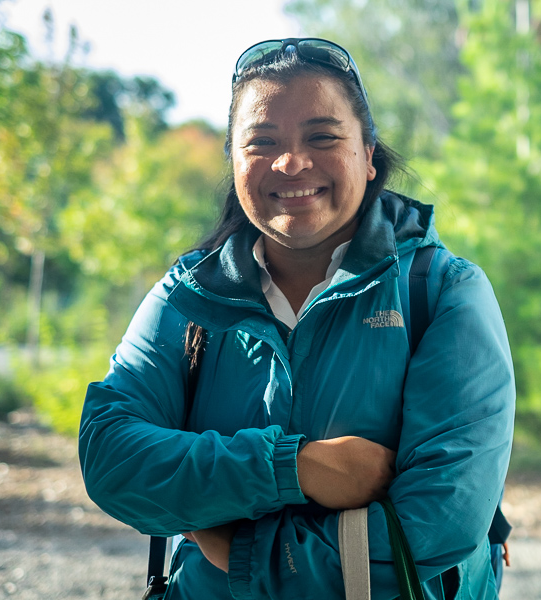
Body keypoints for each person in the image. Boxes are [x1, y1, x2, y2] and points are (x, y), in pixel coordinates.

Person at [79, 37, 515, 599]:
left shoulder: (443, 292)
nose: (291, 162)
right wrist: (296, 467)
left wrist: (241, 552)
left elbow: (437, 526)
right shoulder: (188, 297)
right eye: (262, 141)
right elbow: (112, 457)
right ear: (235, 162)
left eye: (322, 136)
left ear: (369, 154)